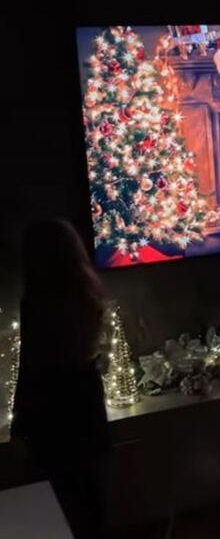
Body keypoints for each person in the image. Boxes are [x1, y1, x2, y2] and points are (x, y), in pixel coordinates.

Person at [12, 218, 111, 538]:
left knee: (59, 502)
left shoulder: (37, 303)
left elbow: (31, 365)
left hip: (52, 408)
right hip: (86, 398)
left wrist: (19, 423)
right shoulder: (88, 294)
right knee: (91, 496)